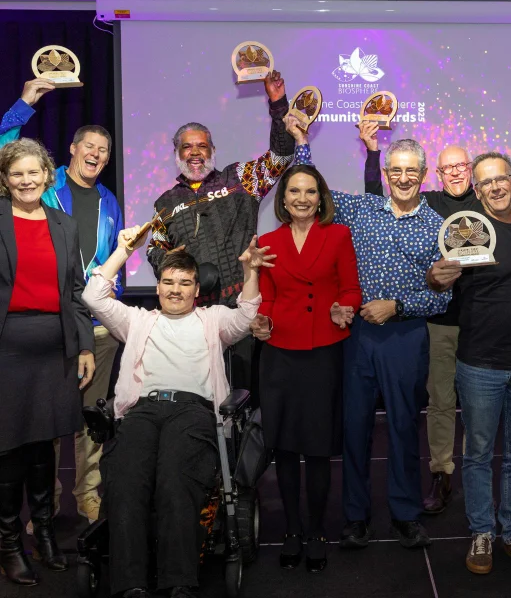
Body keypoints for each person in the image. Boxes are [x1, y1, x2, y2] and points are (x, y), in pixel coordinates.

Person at [358, 93, 511, 515]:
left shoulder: (491, 201)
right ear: (437, 174)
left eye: (461, 167)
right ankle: (442, 473)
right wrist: (373, 153)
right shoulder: (427, 203)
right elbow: (379, 194)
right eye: (446, 169)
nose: (454, 174)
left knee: (486, 416)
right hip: (444, 322)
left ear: (473, 172)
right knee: (442, 402)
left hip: (490, 326)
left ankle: (482, 480)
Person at [284, 119, 450, 549]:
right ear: (386, 173)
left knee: (402, 428)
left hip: (406, 337)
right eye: (395, 170)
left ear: (423, 173)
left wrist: (398, 305)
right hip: (356, 337)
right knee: (354, 429)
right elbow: (314, 190)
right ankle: (355, 516)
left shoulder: (438, 227)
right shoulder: (360, 209)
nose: (403, 178)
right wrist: (302, 144)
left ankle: (406, 514)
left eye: (411, 170)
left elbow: (444, 300)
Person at [82, 225, 267, 598]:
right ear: (158, 287)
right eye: (168, 282)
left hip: (193, 412)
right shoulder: (137, 321)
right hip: (142, 411)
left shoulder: (213, 319)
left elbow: (247, 314)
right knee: (126, 481)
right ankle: (130, 585)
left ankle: (178, 582)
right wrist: (124, 251)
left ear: (197, 290)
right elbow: (93, 295)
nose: (175, 290)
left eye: (184, 283)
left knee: (175, 479)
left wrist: (251, 272)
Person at [427, 152, 511, 574]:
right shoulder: (467, 232)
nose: (495, 187)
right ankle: (482, 533)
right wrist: (436, 277)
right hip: (479, 366)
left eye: (501, 179)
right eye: (485, 183)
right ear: (477, 189)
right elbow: (438, 278)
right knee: (478, 455)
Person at [0, 79, 124, 526]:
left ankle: (88, 496)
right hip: (51, 329)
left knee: (90, 422)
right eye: (89, 146)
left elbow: (112, 261)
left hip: (98, 329)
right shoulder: (44, 192)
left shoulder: (110, 201)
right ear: (71, 149)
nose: (96, 154)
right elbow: (5, 152)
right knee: (45, 425)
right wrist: (24, 103)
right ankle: (45, 505)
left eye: (104, 150)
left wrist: (111, 303)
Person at [146, 71, 295, 390]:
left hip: (244, 311)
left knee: (248, 401)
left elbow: (281, 157)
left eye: (202, 146)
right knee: (200, 400)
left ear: (213, 150)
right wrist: (174, 265)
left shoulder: (239, 178)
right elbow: (154, 250)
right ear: (177, 153)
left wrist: (278, 104)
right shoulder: (165, 203)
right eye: (188, 147)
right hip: (194, 317)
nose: (195, 153)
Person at [250, 164, 361, 573]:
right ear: (282, 199)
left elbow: (351, 286)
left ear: (321, 198)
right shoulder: (269, 241)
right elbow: (265, 297)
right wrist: (261, 320)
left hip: (322, 351)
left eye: (309, 192)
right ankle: (291, 530)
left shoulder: (338, 235)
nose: (301, 198)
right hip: (279, 352)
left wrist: (344, 307)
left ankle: (316, 531)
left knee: (316, 448)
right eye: (294, 191)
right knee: (284, 447)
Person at [0, 138, 95, 586]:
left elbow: (75, 293)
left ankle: (46, 536)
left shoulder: (64, 224)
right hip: (7, 349)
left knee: (42, 447)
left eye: (33, 173)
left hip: (54, 350)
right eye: (16, 174)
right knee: (8, 449)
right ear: (5, 179)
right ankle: (9, 542)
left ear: (48, 176)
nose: (25, 181)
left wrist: (85, 347)